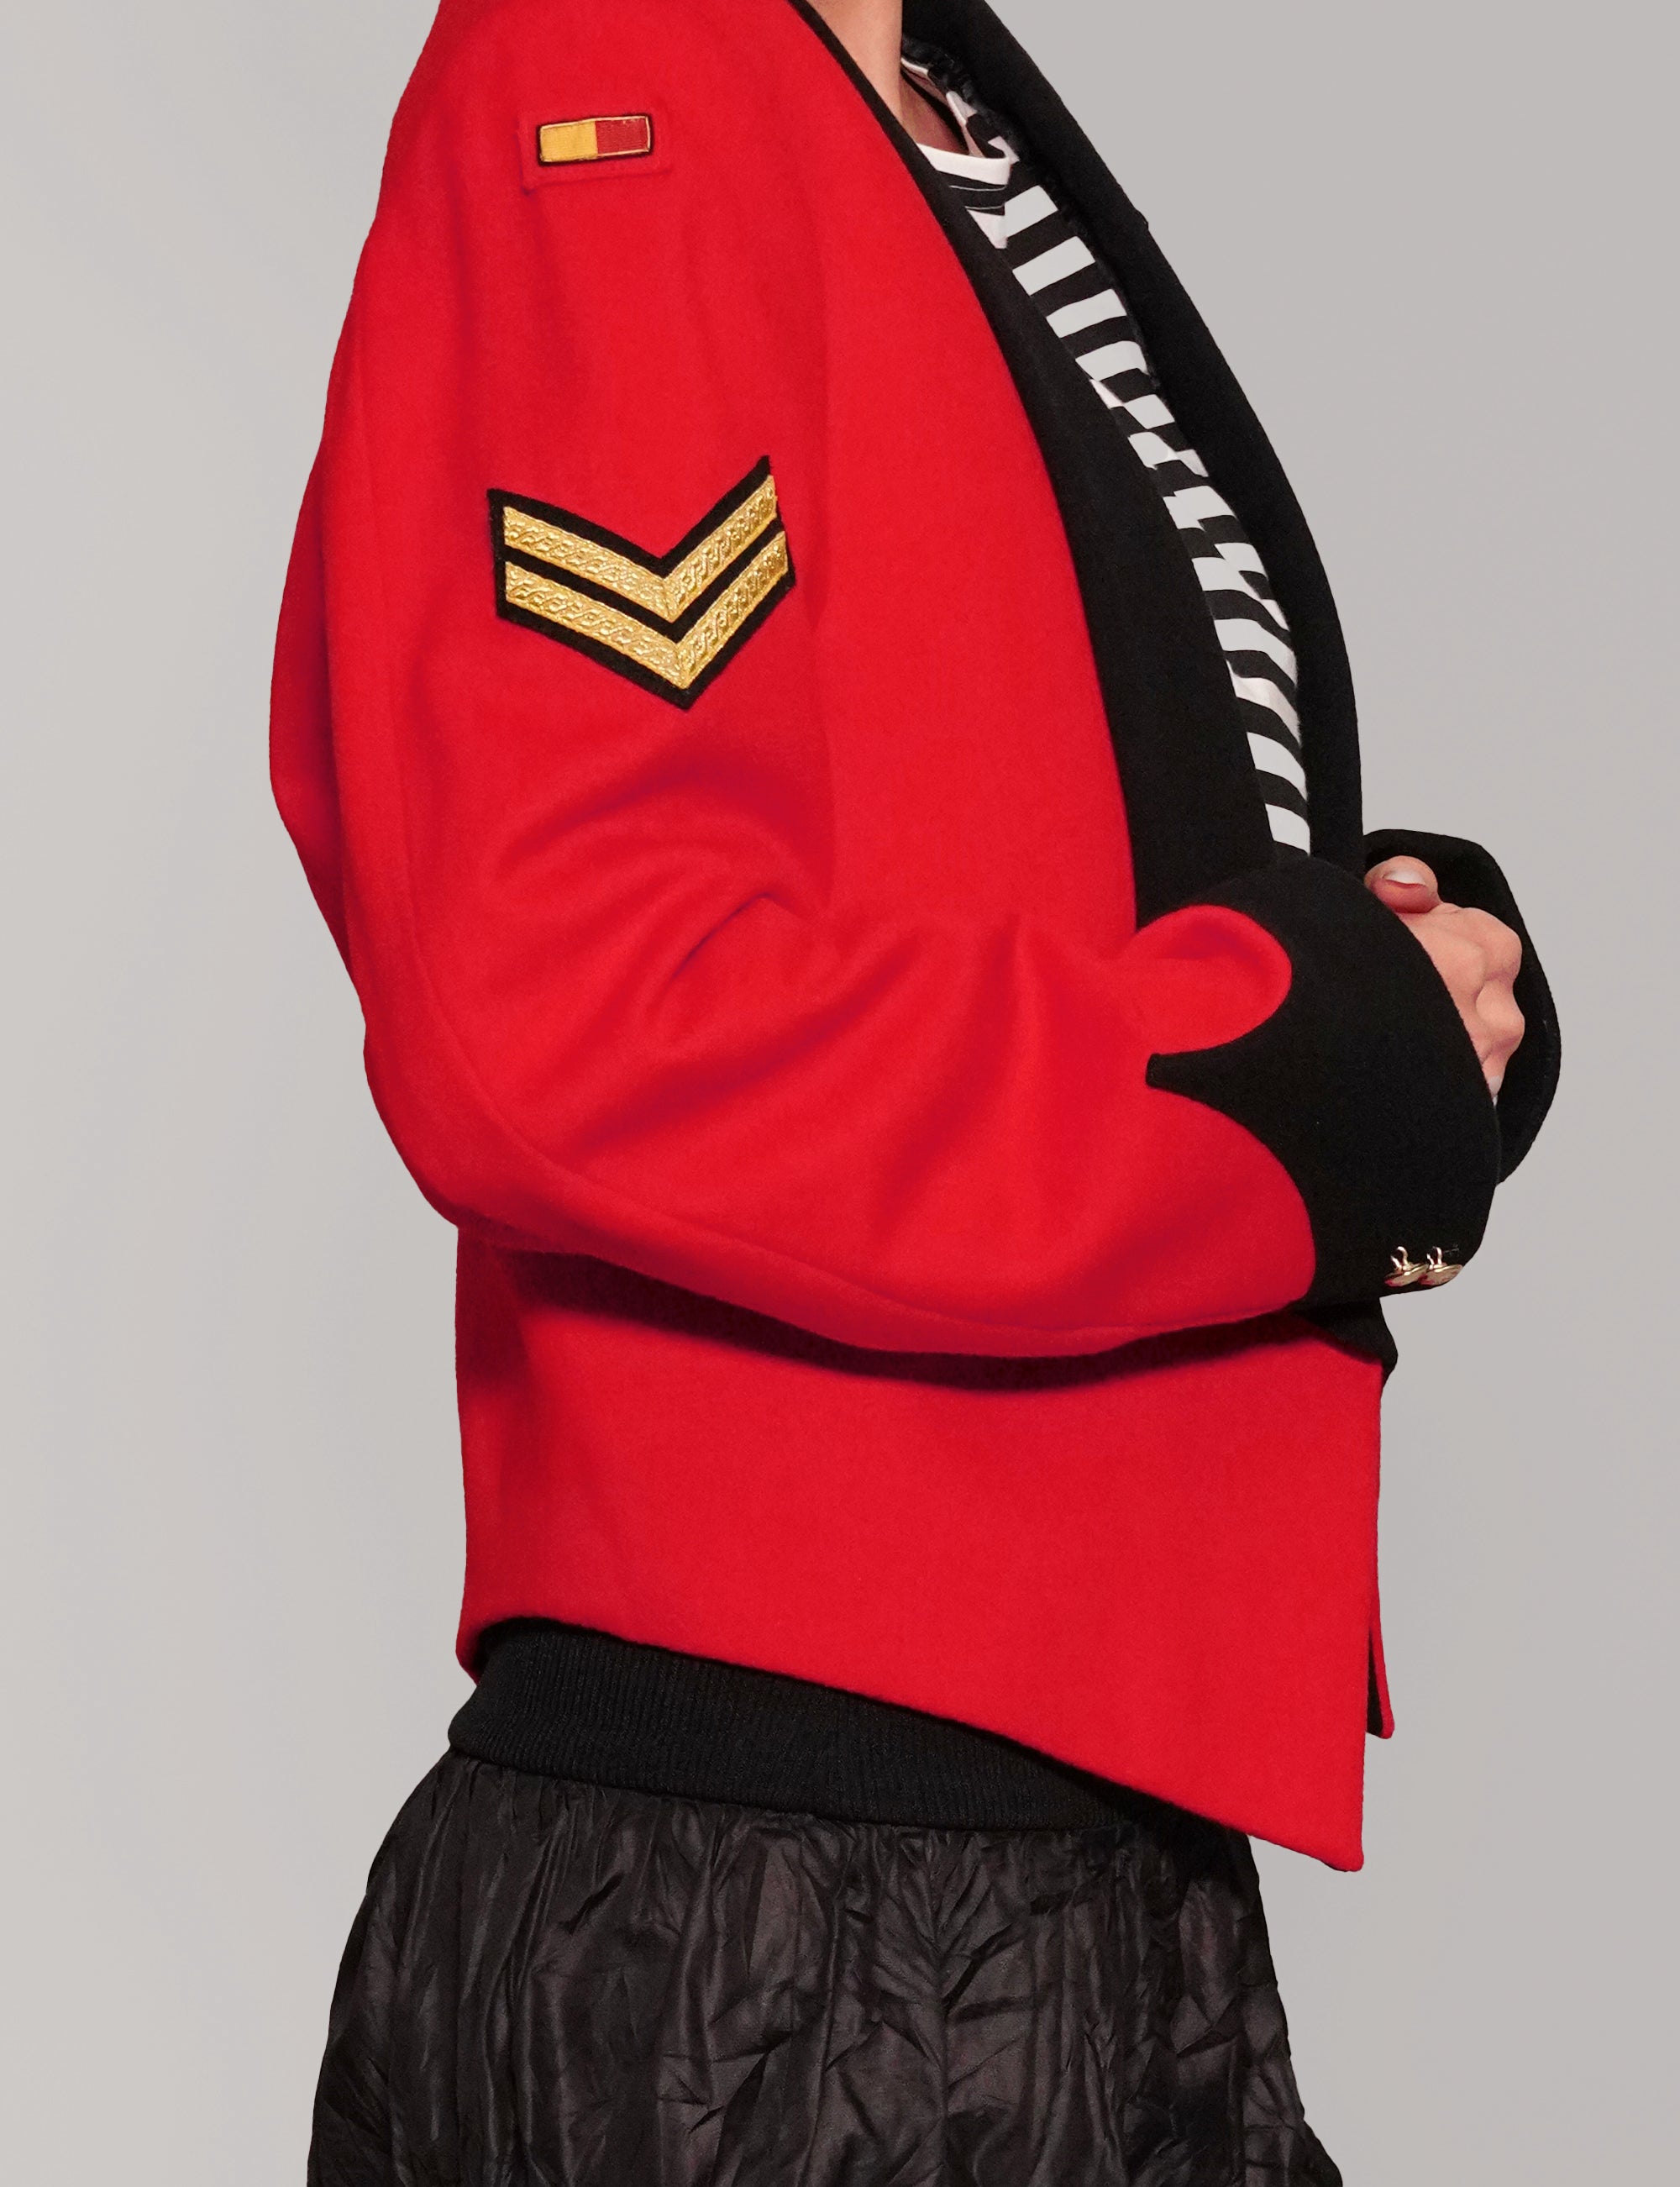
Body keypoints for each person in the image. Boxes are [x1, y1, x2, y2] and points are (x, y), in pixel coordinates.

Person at [271, 1, 1560, 2179]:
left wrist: (1389, 1011)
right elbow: (564, 1010)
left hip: (1067, 1867)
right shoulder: (616, 57)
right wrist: (1281, 1072)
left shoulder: (940, 112)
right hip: (790, 1906)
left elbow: (1003, 823)